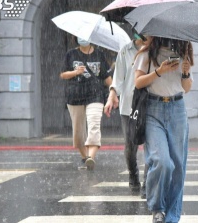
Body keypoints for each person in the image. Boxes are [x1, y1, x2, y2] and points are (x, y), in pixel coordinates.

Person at [133, 36, 193, 223]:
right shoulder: (147, 53)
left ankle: (172, 215)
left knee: (178, 166)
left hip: (177, 109)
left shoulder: (184, 52)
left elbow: (187, 88)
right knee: (162, 161)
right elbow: (138, 82)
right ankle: (157, 207)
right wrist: (159, 71)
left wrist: (185, 73)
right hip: (153, 109)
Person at [104, 34, 151, 197]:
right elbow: (118, 80)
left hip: (150, 104)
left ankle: (148, 183)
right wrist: (112, 95)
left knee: (150, 146)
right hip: (128, 107)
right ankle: (133, 176)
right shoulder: (125, 51)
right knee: (131, 146)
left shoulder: (155, 49)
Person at [60, 37, 112, 170]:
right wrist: (75, 72)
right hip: (75, 96)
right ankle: (84, 157)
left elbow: (106, 77)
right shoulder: (71, 54)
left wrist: (114, 92)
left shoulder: (99, 54)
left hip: (95, 95)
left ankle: (91, 158)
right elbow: (63, 75)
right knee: (78, 132)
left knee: (94, 124)